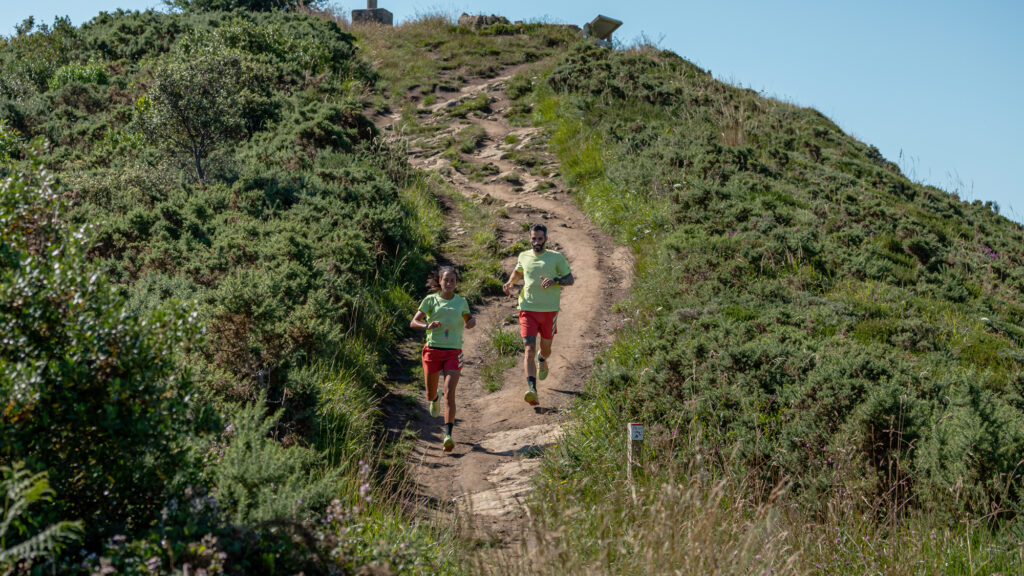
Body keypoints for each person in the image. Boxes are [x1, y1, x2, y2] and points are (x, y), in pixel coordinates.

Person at [502, 223, 574, 405]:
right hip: (527, 309)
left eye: (540, 239)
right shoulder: (523, 256)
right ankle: (532, 389)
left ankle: (542, 359)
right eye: (534, 239)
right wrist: (510, 283)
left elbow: (570, 279)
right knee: (529, 348)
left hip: (549, 311)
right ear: (530, 239)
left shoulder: (556, 258)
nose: (536, 242)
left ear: (546, 239)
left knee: (545, 349)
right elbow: (518, 271)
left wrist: (555, 280)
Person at [410, 266, 476, 451]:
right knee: (431, 394)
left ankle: (448, 435)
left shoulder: (461, 302)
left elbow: (469, 319)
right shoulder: (430, 300)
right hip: (432, 351)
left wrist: (471, 322)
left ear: (456, 283)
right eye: (445, 280)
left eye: (452, 281)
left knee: (450, 393)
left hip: (453, 352)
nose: (449, 283)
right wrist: (427, 325)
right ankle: (434, 397)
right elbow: (413, 322)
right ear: (439, 281)